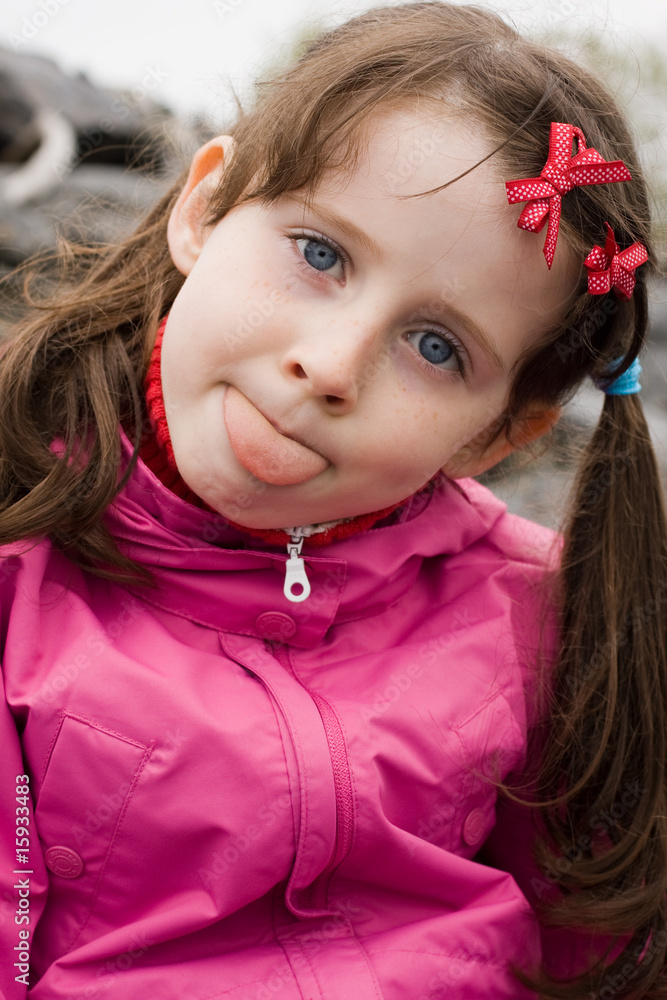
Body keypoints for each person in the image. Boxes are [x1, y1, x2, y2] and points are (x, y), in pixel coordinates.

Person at [0, 2, 664, 997]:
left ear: (498, 435)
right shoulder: (21, 562)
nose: (332, 365)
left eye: (434, 346)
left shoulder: (541, 619)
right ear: (206, 208)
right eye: (320, 254)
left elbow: (599, 946)